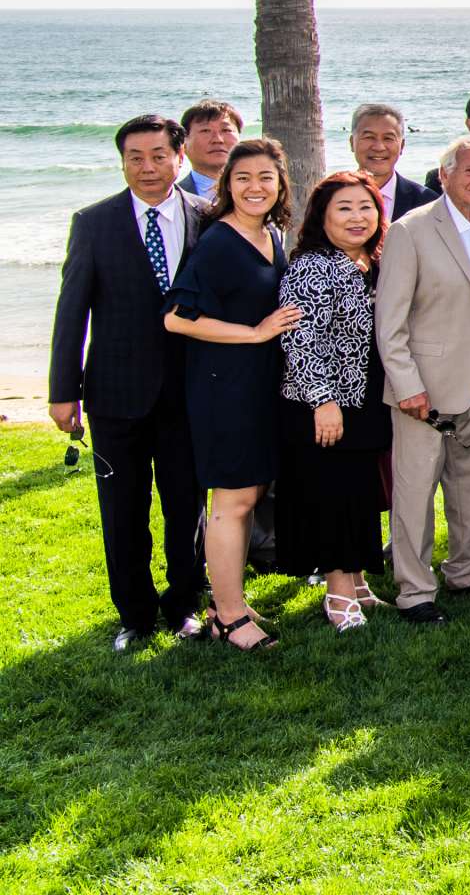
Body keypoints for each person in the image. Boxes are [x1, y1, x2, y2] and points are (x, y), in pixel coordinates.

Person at [48, 114, 209, 651]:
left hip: (189, 393)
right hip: (115, 395)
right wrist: (61, 390)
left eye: (159, 155)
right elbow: (72, 311)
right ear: (121, 162)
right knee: (122, 510)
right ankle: (136, 616)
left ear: (178, 158)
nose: (147, 167)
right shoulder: (94, 223)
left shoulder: (207, 217)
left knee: (186, 506)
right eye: (135, 157)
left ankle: (185, 604)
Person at [162, 137, 296, 649]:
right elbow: (177, 318)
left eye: (265, 177)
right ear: (226, 186)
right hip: (225, 387)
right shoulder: (219, 242)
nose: (254, 187)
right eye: (242, 179)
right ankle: (231, 619)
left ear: (280, 182)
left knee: (249, 495)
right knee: (232, 501)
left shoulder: (271, 235)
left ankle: (227, 603)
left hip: (258, 384)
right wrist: (257, 333)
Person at [378, 133, 470, 625]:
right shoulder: (411, 230)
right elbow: (389, 321)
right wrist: (407, 384)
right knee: (415, 494)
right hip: (424, 390)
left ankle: (467, 571)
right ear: (446, 176)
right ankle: (414, 591)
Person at [274, 170, 391, 632]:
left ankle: (359, 582)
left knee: (360, 495)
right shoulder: (312, 265)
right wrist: (324, 402)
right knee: (334, 497)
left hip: (365, 401)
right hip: (324, 404)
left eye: (366, 207)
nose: (357, 217)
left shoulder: (373, 262)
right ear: (322, 217)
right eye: (344, 208)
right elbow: (301, 338)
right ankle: (338, 594)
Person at [350, 102, 437, 226]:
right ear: (351, 143)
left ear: (402, 146)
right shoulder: (330, 198)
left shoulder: (427, 202)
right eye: (369, 137)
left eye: (388, 138)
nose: (379, 147)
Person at [177, 99, 244, 203]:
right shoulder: (170, 198)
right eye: (205, 131)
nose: (217, 140)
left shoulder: (262, 192)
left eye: (226, 130)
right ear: (184, 144)